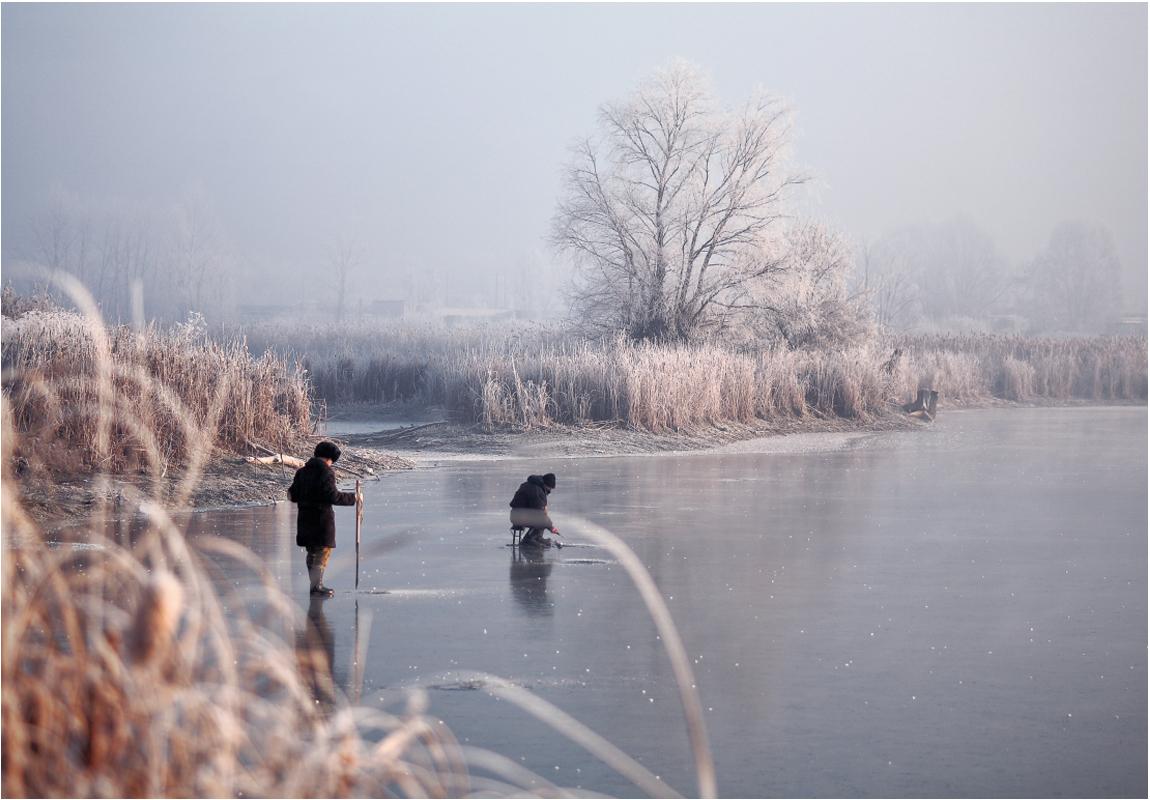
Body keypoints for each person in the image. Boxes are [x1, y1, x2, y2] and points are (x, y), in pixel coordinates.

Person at [289, 441, 358, 597]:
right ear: (329, 458)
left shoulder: (302, 472)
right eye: (332, 461)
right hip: (321, 519)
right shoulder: (326, 472)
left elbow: (292, 495)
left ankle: (314, 586)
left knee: (312, 552)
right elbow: (332, 496)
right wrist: (354, 498)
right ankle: (317, 586)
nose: (331, 464)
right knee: (322, 551)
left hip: (305, 519)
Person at [509, 472, 560, 548]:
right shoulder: (536, 491)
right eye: (550, 488)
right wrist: (551, 527)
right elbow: (540, 512)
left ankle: (537, 538)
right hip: (520, 517)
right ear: (546, 485)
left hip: (516, 515)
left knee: (543, 519)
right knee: (542, 520)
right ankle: (528, 540)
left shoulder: (533, 486)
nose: (550, 491)